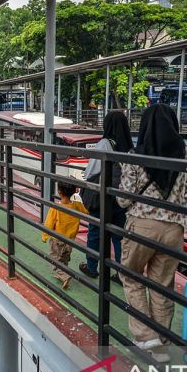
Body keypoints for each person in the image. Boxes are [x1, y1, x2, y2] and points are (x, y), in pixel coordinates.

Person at [117, 104, 187, 363]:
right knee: (163, 285)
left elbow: (123, 200)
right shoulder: (186, 155)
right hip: (174, 230)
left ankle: (145, 336)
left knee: (131, 277)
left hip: (141, 226)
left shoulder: (136, 155)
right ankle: (162, 343)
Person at [79, 111, 134, 282]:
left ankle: (91, 267)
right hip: (121, 196)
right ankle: (120, 272)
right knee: (118, 235)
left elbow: (91, 171)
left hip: (104, 197)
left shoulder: (104, 143)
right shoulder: (129, 146)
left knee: (95, 231)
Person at [42, 182, 89, 290]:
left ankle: (64, 276)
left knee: (55, 259)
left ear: (59, 192)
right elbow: (86, 211)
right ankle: (62, 274)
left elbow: (49, 223)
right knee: (64, 258)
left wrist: (45, 236)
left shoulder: (55, 208)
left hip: (57, 240)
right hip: (70, 240)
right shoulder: (77, 205)